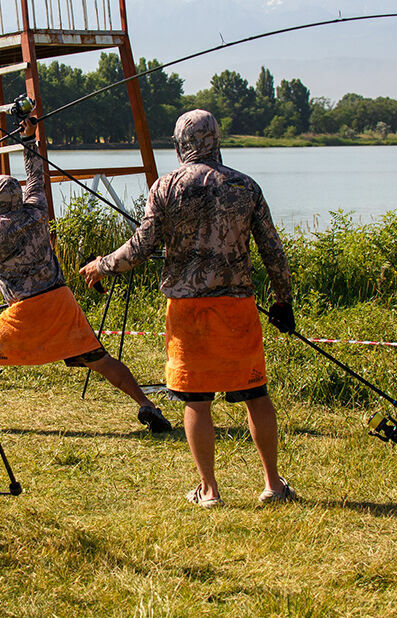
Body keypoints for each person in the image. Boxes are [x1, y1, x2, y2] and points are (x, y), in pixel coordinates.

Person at [79, 109, 297, 506]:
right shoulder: (245, 186)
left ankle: (210, 490)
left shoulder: (165, 187)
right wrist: (283, 300)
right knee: (254, 393)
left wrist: (101, 266)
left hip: (187, 311)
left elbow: (140, 249)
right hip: (237, 308)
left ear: (180, 145)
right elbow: (272, 250)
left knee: (197, 401)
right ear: (217, 140)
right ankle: (273, 484)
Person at [0, 117, 171, 433]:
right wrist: (29, 139)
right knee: (100, 359)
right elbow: (35, 177)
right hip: (61, 304)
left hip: (23, 313)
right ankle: (147, 406)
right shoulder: (35, 211)